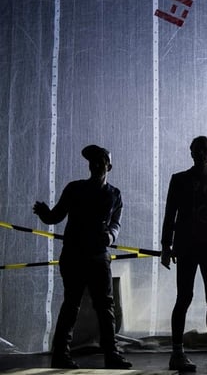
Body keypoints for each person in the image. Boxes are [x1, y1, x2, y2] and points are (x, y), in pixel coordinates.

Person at [32, 145, 132, 370]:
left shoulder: (113, 195)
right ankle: (66, 355)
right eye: (92, 161)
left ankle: (109, 354)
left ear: (109, 166)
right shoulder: (75, 189)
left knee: (99, 306)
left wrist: (110, 236)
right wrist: (45, 213)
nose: (95, 165)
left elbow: (116, 223)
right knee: (76, 305)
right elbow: (56, 216)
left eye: (100, 161)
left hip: (94, 256)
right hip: (76, 256)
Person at [160, 135, 207, 371]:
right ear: (191, 153)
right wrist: (165, 246)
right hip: (187, 246)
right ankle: (177, 352)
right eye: (197, 150)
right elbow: (170, 213)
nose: (201, 154)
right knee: (184, 297)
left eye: (204, 150)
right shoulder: (179, 179)